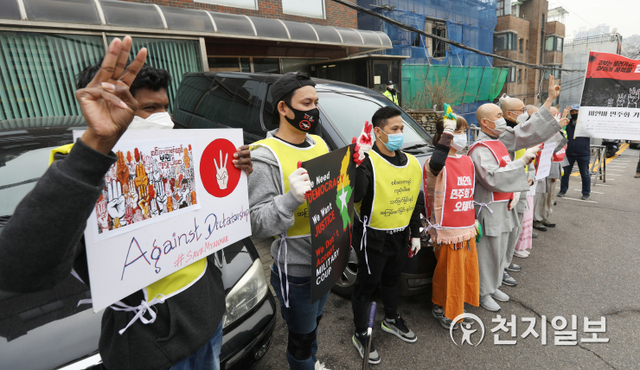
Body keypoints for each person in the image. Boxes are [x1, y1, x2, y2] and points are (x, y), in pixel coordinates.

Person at [0, 36, 252, 370]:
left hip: (209, 326)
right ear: (115, 109)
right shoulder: (77, 170)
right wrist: (93, 149)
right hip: (153, 350)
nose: (164, 117)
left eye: (165, 107)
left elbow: (214, 229)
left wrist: (235, 179)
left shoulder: (181, 155)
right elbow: (24, 269)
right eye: (149, 109)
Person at [248, 72, 331, 370]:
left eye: (316, 103)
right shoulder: (263, 156)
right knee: (300, 337)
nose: (313, 110)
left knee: (314, 325)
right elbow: (256, 223)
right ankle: (304, 364)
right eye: (305, 103)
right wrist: (290, 199)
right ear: (283, 108)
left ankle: (311, 362)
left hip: (326, 256)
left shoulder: (320, 144)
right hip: (296, 270)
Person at [469, 76, 562, 311]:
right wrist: (521, 163)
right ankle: (482, 292)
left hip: (504, 205)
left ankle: (493, 285)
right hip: (490, 208)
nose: (503, 120)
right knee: (488, 253)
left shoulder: (499, 141)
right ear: (485, 124)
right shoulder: (479, 149)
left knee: (500, 250)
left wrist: (550, 99)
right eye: (498, 117)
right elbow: (492, 178)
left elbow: (525, 131)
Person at [350, 106, 422, 364]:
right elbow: (356, 196)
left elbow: (414, 199)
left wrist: (414, 233)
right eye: (395, 129)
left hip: (399, 237)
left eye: (402, 128)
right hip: (373, 238)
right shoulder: (368, 161)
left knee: (392, 280)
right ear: (378, 132)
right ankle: (360, 332)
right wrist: (356, 164)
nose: (400, 133)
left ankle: (390, 319)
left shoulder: (412, 163)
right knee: (366, 286)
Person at [423, 109, 479, 330]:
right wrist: (448, 132)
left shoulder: (467, 160)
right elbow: (438, 160)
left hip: (466, 226)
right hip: (446, 229)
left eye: (464, 131)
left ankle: (456, 302)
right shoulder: (435, 162)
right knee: (448, 272)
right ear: (444, 135)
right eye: (457, 131)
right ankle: (442, 307)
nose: (462, 135)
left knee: (464, 270)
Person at [558, 104, 591, 200]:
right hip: (569, 153)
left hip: (583, 153)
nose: (574, 113)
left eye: (576, 111)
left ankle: (586, 192)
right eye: (572, 112)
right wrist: (565, 114)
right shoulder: (568, 123)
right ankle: (563, 190)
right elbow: (559, 125)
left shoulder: (586, 123)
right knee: (565, 174)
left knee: (585, 174)